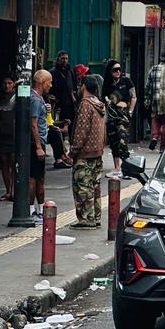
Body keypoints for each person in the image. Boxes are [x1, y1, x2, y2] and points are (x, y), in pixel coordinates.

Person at [67, 75, 106, 228]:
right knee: (95, 186)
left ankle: (86, 218)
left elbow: (81, 131)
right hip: (97, 152)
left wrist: (73, 152)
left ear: (83, 86)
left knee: (82, 186)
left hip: (84, 154)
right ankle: (95, 217)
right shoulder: (99, 104)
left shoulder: (85, 104)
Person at [27, 70, 51, 222]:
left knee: (38, 178)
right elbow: (33, 124)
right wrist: (38, 146)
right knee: (35, 179)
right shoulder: (35, 100)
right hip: (36, 142)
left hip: (38, 141)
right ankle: (34, 211)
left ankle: (39, 209)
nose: (51, 85)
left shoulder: (38, 98)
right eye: (49, 81)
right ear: (42, 82)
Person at [103, 61, 137, 168]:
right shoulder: (107, 84)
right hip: (112, 115)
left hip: (124, 115)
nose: (118, 72)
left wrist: (130, 111)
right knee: (114, 142)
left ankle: (126, 167)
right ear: (110, 71)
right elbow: (104, 98)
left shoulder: (126, 81)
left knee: (123, 141)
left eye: (119, 69)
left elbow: (133, 96)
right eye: (115, 70)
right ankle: (117, 167)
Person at [48, 51, 77, 140]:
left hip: (69, 103)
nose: (64, 60)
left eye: (66, 58)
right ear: (58, 59)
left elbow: (74, 85)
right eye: (62, 58)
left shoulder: (70, 71)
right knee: (58, 124)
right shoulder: (53, 72)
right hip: (58, 103)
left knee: (70, 123)